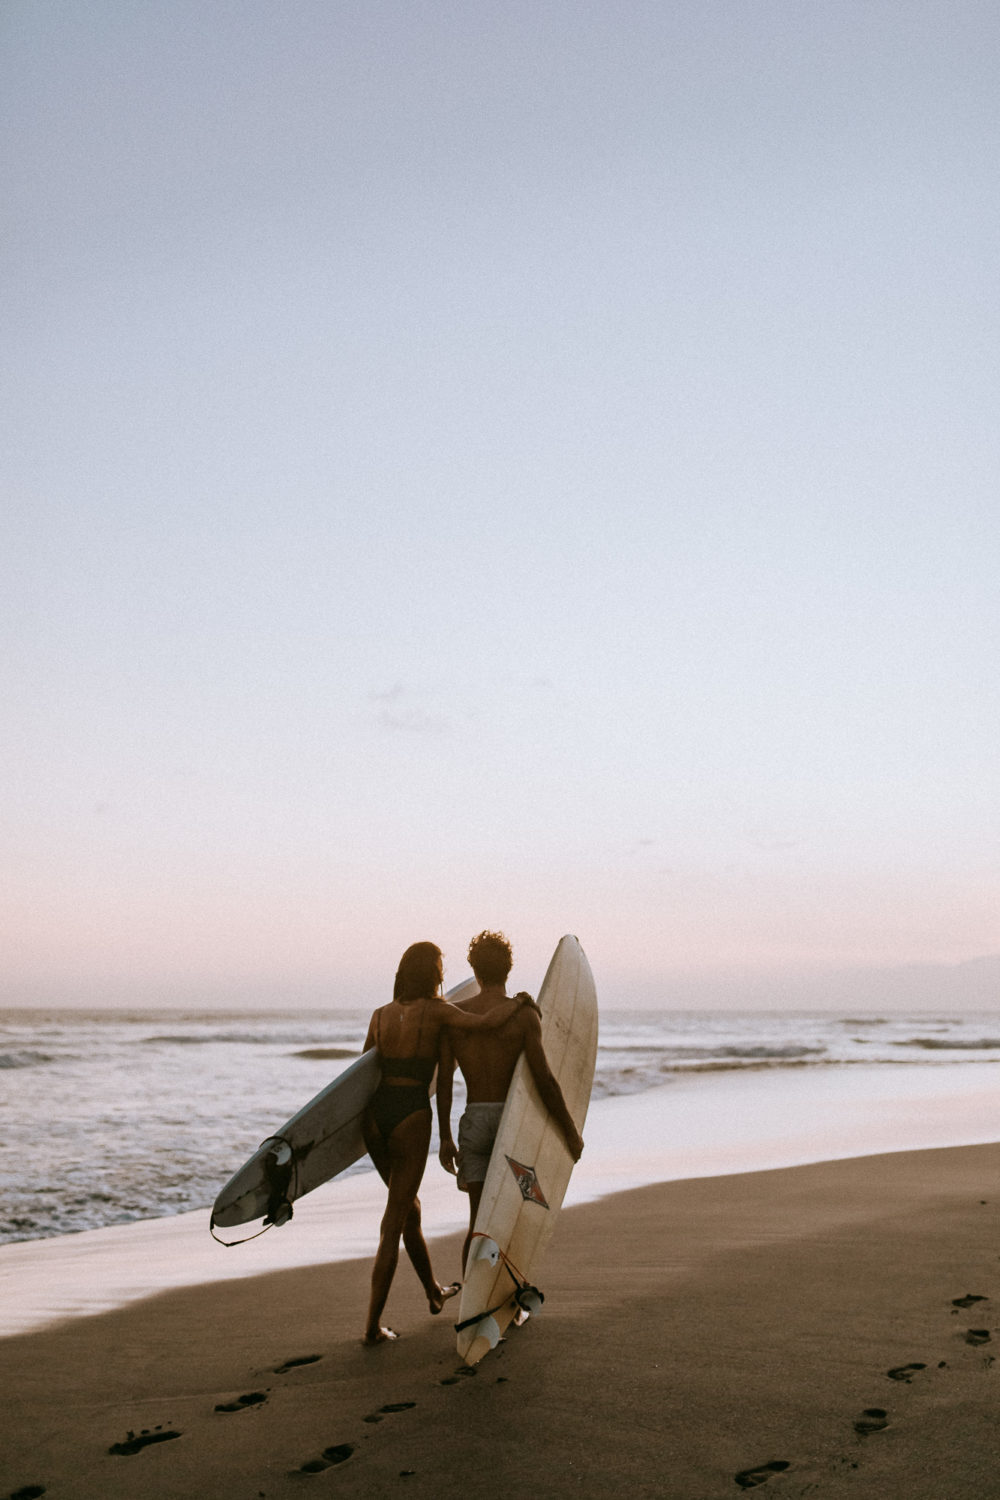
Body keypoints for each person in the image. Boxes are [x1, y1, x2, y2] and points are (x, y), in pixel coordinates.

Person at [361, 940, 526, 1345]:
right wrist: (519, 1004)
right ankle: (370, 1329)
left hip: (376, 1120)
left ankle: (434, 1293)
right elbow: (484, 1024)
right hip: (410, 1116)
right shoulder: (436, 1011)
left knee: (409, 1208)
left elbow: (362, 1076)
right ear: (431, 973)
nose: (443, 972)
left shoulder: (380, 1015)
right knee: (393, 1220)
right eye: (439, 966)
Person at [436, 930, 584, 1273]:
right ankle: (508, 1297)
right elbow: (545, 1080)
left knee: (477, 1220)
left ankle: (470, 1314)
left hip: (474, 1123)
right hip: (512, 1125)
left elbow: (444, 1082)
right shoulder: (523, 1016)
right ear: (508, 969)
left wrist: (444, 1136)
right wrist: (569, 1131)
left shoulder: (455, 1018)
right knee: (518, 1213)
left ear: (475, 970)